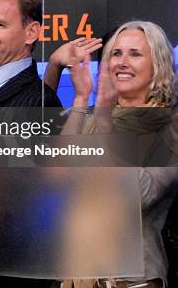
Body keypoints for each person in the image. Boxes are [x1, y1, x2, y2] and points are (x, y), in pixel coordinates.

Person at [63, 20, 178, 288]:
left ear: (158, 64)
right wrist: (81, 99)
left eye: (135, 54)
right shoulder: (92, 116)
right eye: (116, 53)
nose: (122, 62)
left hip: (130, 280)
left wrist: (105, 124)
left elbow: (137, 195)